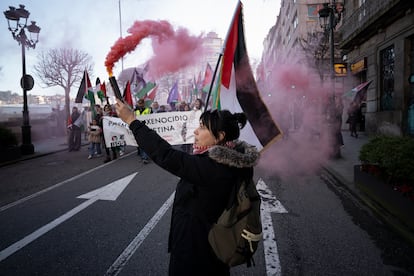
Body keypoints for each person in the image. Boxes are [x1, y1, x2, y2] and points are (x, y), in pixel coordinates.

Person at [115, 99, 260, 276]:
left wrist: (132, 121)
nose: (196, 131)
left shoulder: (216, 168)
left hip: (197, 255)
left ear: (220, 136)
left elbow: (167, 155)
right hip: (206, 251)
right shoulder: (226, 162)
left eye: (203, 128)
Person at [134, 98, 152, 164]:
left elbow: (152, 118)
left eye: (141, 103)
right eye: (139, 103)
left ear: (143, 104)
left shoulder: (148, 110)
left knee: (146, 143)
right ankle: (143, 156)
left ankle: (145, 157)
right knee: (141, 144)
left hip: (146, 128)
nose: (140, 105)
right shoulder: (135, 111)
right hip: (138, 129)